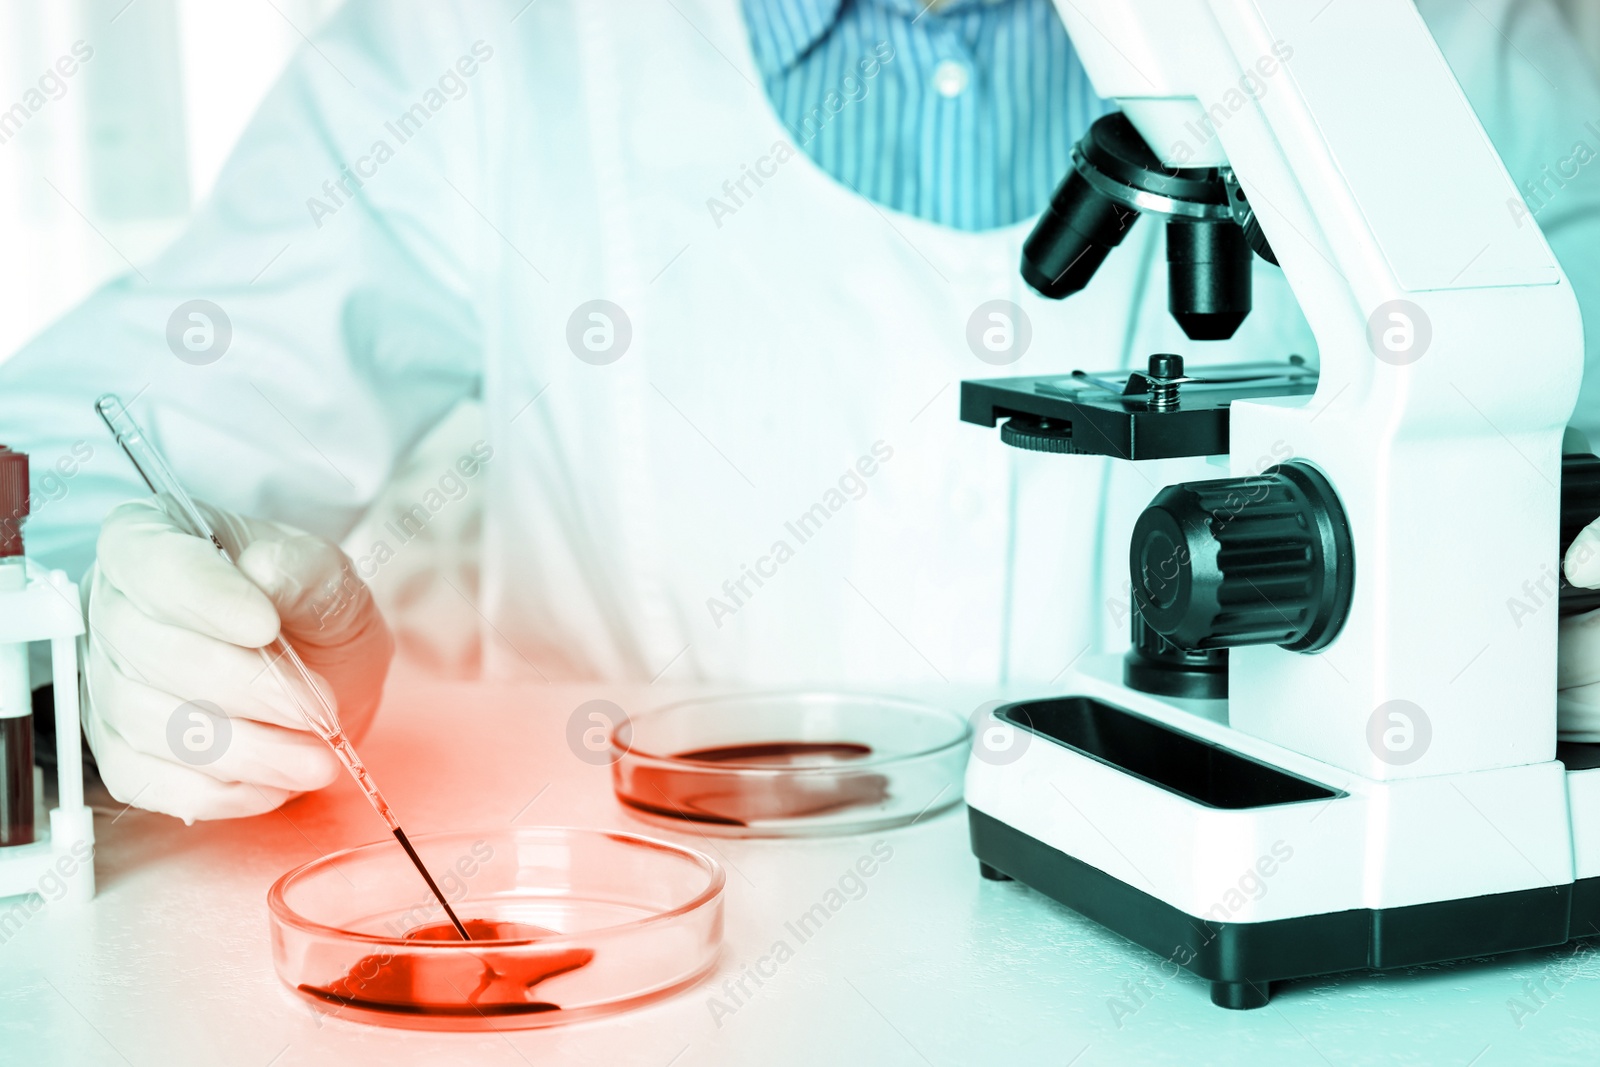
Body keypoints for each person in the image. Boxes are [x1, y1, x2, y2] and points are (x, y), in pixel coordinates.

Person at [2, 0, 1599, 822]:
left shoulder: (1460, 49)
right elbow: (72, 448)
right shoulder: (475, 44)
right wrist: (133, 620)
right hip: (644, 983)